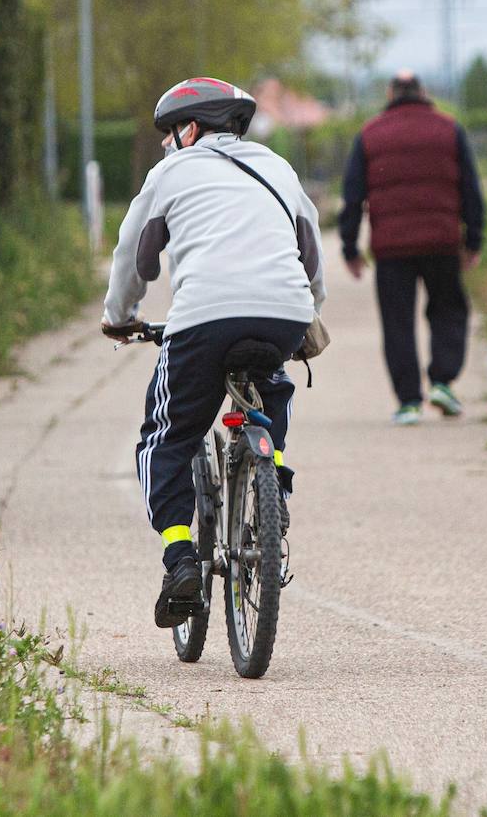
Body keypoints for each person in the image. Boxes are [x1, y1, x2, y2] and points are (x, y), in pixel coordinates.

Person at [101, 77, 325, 628]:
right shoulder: (277, 167)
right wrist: (306, 306)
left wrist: (119, 317)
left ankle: (180, 557)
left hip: (204, 317)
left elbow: (134, 256)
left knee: (168, 436)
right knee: (271, 389)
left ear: (192, 129)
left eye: (170, 132)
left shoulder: (171, 173)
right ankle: (273, 479)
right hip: (285, 311)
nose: (164, 144)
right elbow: (310, 247)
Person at [338, 71, 485, 426]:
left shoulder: (370, 134)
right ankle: (442, 380)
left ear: (390, 93)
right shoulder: (449, 129)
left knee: (397, 322)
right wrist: (473, 239)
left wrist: (350, 246)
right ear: (423, 92)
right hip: (442, 242)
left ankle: (408, 402)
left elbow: (353, 194)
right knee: (449, 310)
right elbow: (470, 188)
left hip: (392, 249)